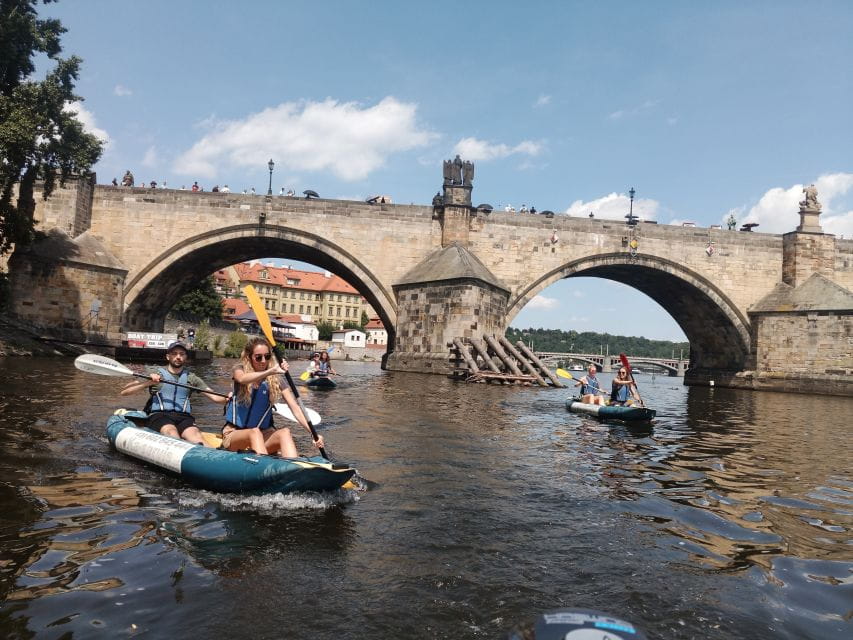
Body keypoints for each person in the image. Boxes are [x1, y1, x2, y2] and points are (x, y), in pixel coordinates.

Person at [221, 338, 324, 457]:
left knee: (285, 432)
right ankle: (265, 470)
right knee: (254, 432)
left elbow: (295, 408)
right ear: (249, 357)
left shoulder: (275, 379)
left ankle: (292, 468)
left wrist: (313, 434)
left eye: (267, 356)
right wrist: (271, 371)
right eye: (258, 357)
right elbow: (242, 379)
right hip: (234, 434)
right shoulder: (239, 369)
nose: (263, 361)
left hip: (263, 434)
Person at [120, 341, 227, 446]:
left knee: (195, 435)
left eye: (181, 354)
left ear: (186, 357)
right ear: (168, 357)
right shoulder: (155, 373)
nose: (178, 357)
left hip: (183, 417)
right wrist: (148, 383)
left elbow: (215, 397)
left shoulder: (192, 378)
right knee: (171, 432)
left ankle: (209, 457)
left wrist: (230, 399)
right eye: (174, 354)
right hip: (159, 416)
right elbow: (125, 391)